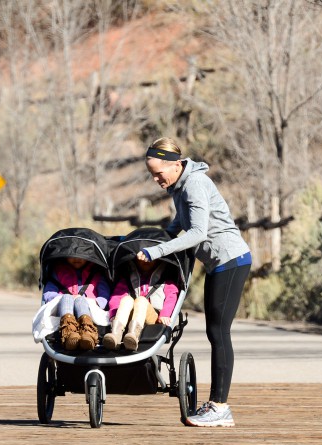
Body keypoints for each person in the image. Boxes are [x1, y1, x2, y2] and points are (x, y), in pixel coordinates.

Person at [139, 137, 252, 427]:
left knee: (218, 332)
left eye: (158, 173)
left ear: (175, 165)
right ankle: (217, 405)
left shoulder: (194, 184)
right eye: (151, 174)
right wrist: (147, 240)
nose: (155, 179)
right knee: (215, 331)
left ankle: (220, 407)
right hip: (218, 263)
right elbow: (178, 225)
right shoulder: (179, 187)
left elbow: (198, 232)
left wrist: (157, 251)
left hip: (231, 260)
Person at [104, 257, 179, 351]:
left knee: (141, 300)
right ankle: (115, 334)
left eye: (150, 258)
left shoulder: (165, 279)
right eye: (141, 258)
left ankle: (133, 336)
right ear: (135, 259)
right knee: (126, 299)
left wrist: (165, 314)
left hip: (153, 317)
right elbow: (116, 297)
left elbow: (171, 297)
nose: (145, 260)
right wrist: (114, 314)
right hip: (130, 318)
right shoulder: (128, 278)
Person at [42, 256, 110, 351]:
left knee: (80, 300)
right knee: (66, 297)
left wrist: (96, 302)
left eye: (81, 256)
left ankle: (87, 332)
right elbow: (49, 293)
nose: (77, 259)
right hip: (64, 310)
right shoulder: (58, 272)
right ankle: (69, 333)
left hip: (90, 310)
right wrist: (61, 298)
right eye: (72, 256)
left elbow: (104, 294)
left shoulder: (96, 273)